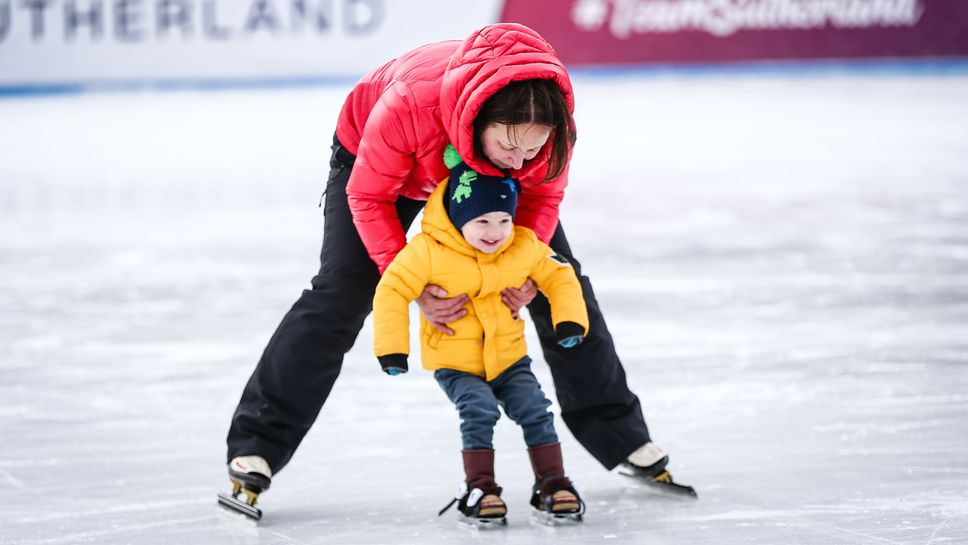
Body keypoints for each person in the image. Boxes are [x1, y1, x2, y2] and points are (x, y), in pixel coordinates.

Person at [219, 22, 689, 520]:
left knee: (560, 279)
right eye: (509, 147)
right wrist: (412, 283)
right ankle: (258, 445)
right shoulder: (408, 106)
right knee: (344, 289)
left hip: (474, 175)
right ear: (479, 119)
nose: (519, 161)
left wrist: (522, 272)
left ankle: (621, 434)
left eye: (531, 151)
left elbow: (543, 197)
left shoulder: (549, 135)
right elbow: (369, 196)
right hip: (387, 169)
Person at [373, 147, 588, 525]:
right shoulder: (427, 251)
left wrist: (569, 321)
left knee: (536, 411)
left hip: (510, 358)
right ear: (459, 218)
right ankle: (480, 487)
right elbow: (392, 289)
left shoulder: (521, 243)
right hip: (456, 364)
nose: (496, 232)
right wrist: (392, 349)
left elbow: (560, 273)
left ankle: (553, 482)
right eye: (483, 221)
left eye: (504, 219)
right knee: (479, 410)